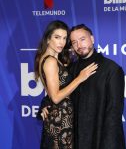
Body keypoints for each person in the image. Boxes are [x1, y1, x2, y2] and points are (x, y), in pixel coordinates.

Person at [34, 20, 98, 149]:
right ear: (48, 39)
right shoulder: (50, 61)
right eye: (57, 37)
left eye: (64, 38)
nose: (61, 42)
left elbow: (53, 93)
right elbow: (56, 97)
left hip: (62, 117)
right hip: (60, 120)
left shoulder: (53, 59)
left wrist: (45, 103)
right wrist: (79, 78)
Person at [69, 24, 126, 149]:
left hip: (101, 140)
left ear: (92, 39)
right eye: (74, 42)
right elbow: (61, 93)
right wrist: (46, 104)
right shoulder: (71, 70)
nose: (79, 45)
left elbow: (114, 113)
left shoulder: (112, 69)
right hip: (76, 140)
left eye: (82, 39)